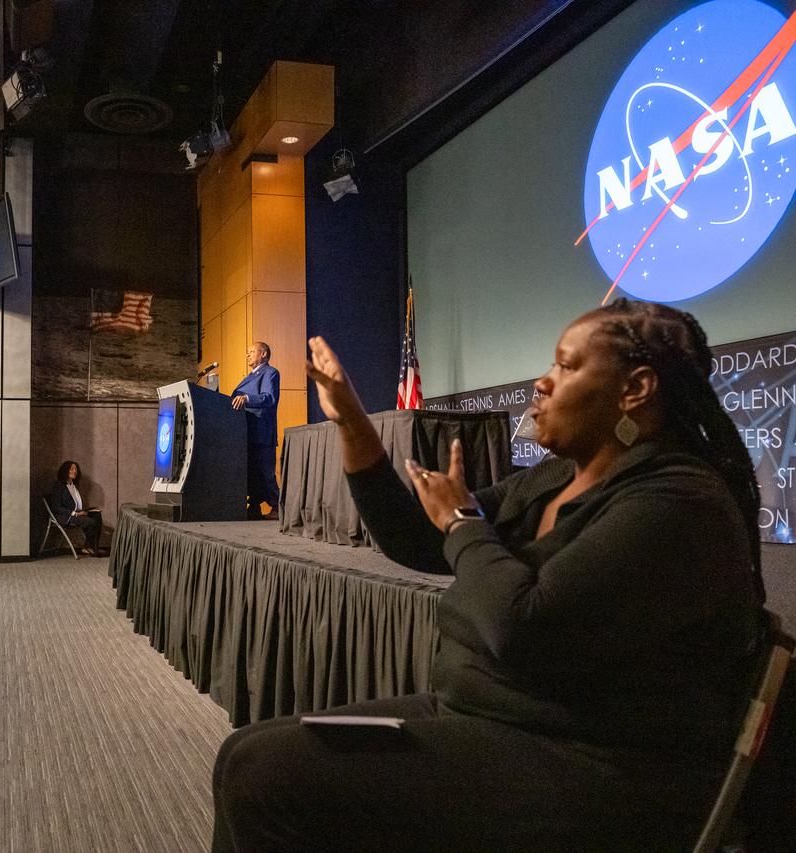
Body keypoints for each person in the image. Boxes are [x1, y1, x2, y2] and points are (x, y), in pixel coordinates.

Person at [212, 300, 766, 852]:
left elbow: (527, 629)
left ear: (636, 390)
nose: (542, 383)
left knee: (262, 778)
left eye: (566, 367)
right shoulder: (553, 479)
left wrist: (461, 521)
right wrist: (355, 425)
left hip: (589, 763)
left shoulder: (680, 503)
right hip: (484, 714)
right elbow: (417, 540)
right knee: (241, 751)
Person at [230, 341, 280, 520]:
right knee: (251, 471)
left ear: (264, 354)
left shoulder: (270, 373)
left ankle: (278, 506)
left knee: (265, 471)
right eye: (247, 352)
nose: (247, 354)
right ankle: (254, 506)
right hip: (247, 431)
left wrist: (247, 398)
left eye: (252, 351)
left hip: (261, 431)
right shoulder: (249, 376)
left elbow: (269, 398)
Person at [49, 460, 104, 556]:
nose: (75, 471)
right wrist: (75, 513)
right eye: (72, 469)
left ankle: (93, 547)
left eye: (76, 469)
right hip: (64, 516)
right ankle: (88, 548)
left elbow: (75, 503)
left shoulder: (74, 485)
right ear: (65, 471)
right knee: (90, 522)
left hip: (77, 513)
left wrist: (83, 511)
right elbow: (56, 507)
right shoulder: (58, 486)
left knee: (97, 515)